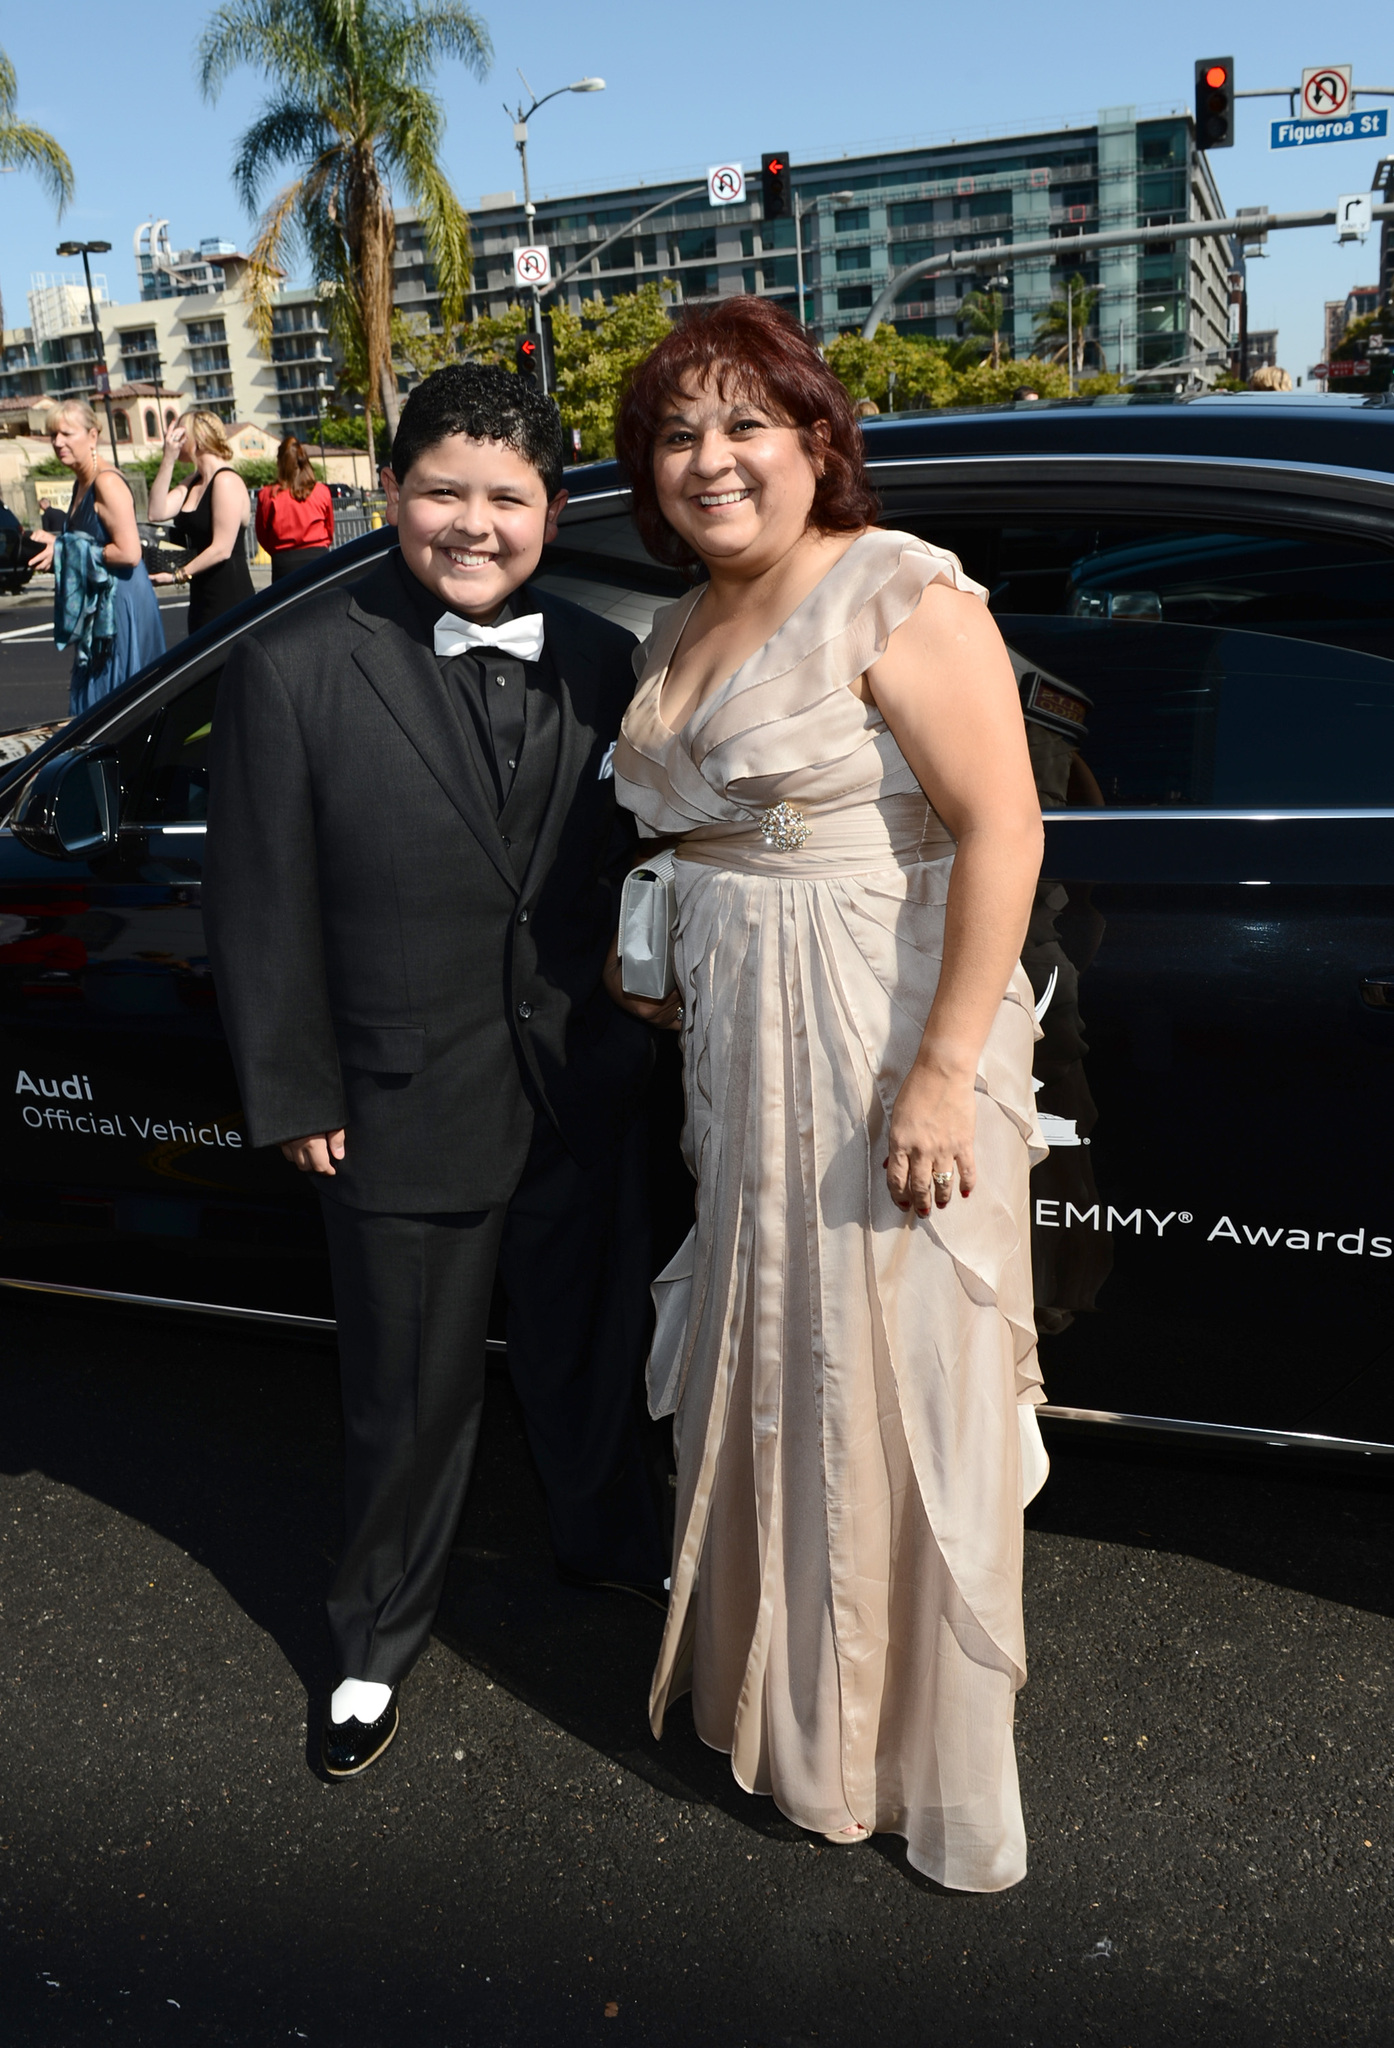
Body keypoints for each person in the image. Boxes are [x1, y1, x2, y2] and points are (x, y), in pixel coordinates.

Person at [610, 297, 1048, 1891]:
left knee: (887, 1375)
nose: (709, 461)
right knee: (776, 1358)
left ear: (813, 440)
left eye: (743, 425)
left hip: (878, 1038)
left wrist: (940, 1073)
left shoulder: (894, 588)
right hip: (742, 1058)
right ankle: (805, 1726)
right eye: (675, 434)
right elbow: (698, 834)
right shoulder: (676, 626)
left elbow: (1002, 827)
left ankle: (905, 1755)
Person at [203, 363, 665, 1780]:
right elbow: (258, 904)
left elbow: (626, 868)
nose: (472, 525)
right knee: (406, 1398)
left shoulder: (604, 656)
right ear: (389, 493)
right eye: (441, 491)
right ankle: (371, 1640)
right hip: (397, 1099)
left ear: (553, 509)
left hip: (582, 1082)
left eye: (505, 498)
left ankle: (610, 1550)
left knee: (594, 1352)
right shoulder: (292, 665)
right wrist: (297, 1093)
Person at [24, 400, 165, 716]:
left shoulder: (106, 481)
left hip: (121, 605)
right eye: (52, 435)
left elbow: (129, 552)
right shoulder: (81, 481)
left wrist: (64, 550)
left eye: (66, 433)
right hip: (101, 605)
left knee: (119, 705)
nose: (57, 442)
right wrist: (58, 542)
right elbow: (91, 540)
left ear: (93, 435)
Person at [148, 411, 254, 631]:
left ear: (197, 437)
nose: (174, 439)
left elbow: (222, 549)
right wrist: (168, 459)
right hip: (201, 594)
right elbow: (156, 512)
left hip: (229, 595)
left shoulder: (226, 480)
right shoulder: (193, 482)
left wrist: (177, 576)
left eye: (180, 432)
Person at [255, 435, 336, 581]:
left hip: (284, 562)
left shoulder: (268, 495)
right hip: (319, 558)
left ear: (279, 462)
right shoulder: (321, 491)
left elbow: (262, 534)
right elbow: (329, 528)